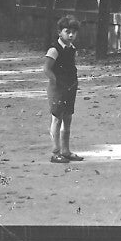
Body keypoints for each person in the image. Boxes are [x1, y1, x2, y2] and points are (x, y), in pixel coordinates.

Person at [43, 15, 84, 164]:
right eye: (67, 31)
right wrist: (57, 82)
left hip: (70, 87)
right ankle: (55, 152)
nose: (71, 35)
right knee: (57, 118)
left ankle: (66, 150)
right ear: (60, 32)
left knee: (68, 118)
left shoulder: (72, 49)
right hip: (58, 89)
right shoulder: (54, 49)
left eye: (74, 32)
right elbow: (46, 69)